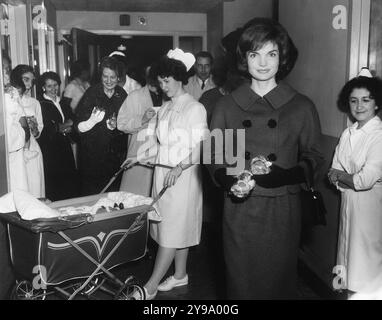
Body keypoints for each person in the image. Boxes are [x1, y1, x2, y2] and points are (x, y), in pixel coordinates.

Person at [208, 18, 323, 299]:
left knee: (277, 285)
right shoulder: (228, 105)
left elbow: (314, 156)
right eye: (254, 54)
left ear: (281, 58)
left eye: (271, 53)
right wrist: (227, 177)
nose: (262, 63)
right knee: (241, 285)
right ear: (244, 59)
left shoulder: (300, 106)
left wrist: (285, 176)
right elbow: (216, 155)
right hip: (240, 210)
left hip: (282, 209)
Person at [123, 48, 208, 300]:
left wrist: (180, 167)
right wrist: (137, 157)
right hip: (163, 175)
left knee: (171, 230)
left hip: (183, 177)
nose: (163, 86)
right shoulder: (166, 106)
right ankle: (180, 275)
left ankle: (150, 286)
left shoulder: (195, 108)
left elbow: (200, 146)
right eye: (160, 82)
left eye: (167, 81)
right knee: (172, 228)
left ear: (180, 78)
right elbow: (163, 146)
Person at [328, 69, 382, 297]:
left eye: (366, 100)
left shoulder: (379, 136)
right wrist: (343, 177)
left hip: (372, 212)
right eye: (354, 100)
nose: (359, 106)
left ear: (377, 104)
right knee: (348, 269)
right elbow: (333, 172)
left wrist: (342, 176)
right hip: (348, 208)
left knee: (369, 274)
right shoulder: (348, 133)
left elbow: (363, 180)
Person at [76, 56, 128, 195]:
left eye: (113, 77)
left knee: (113, 195)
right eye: (105, 76)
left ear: (119, 78)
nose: (109, 81)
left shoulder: (121, 94)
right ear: (101, 76)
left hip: (115, 158)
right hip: (93, 157)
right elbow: (78, 128)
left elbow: (127, 122)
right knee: (93, 196)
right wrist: (91, 122)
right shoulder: (92, 94)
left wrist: (118, 125)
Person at [117, 63, 163, 196]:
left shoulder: (169, 98)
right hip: (138, 156)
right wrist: (141, 120)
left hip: (160, 157)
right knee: (135, 200)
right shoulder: (134, 96)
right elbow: (121, 124)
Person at [38, 71, 79, 201]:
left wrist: (67, 126)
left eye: (55, 85)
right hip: (50, 150)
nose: (53, 89)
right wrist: (62, 126)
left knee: (69, 184)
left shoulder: (63, 103)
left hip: (65, 147)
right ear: (43, 87)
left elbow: (73, 120)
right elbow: (45, 129)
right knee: (55, 185)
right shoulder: (40, 104)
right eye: (49, 86)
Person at [11, 64, 45, 198]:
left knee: (35, 188)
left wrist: (35, 128)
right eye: (26, 79)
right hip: (16, 150)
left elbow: (38, 133)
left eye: (32, 81)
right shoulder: (9, 100)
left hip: (33, 150)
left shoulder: (34, 103)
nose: (30, 85)